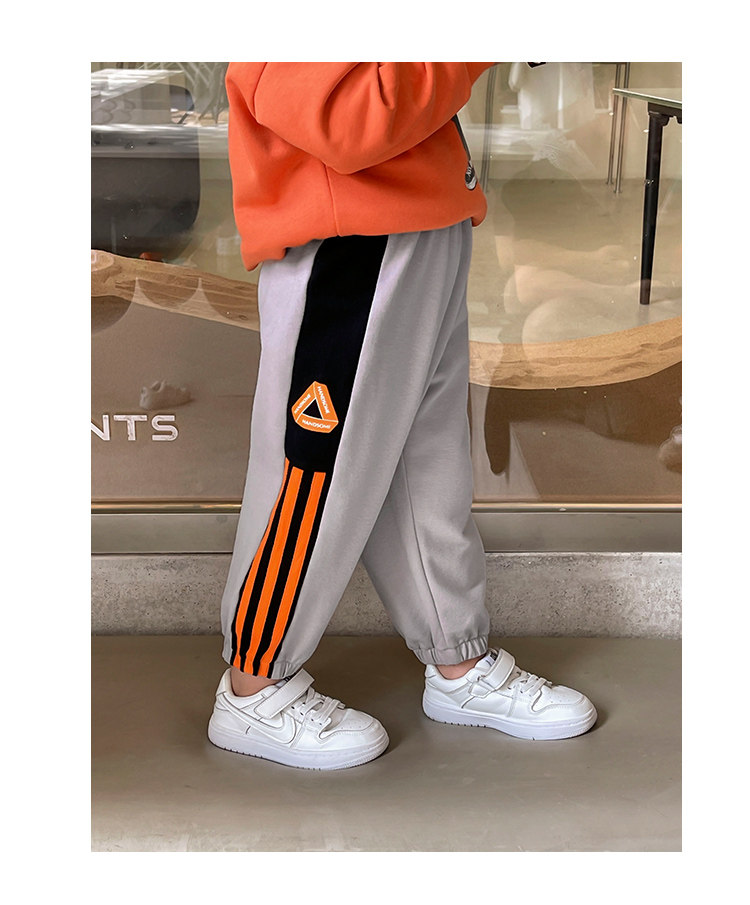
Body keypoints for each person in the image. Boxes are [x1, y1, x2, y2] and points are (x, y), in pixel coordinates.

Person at [207, 63, 597, 770]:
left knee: (428, 469)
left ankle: (457, 661)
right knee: (313, 476)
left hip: (419, 222)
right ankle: (253, 687)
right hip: (349, 242)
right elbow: (347, 120)